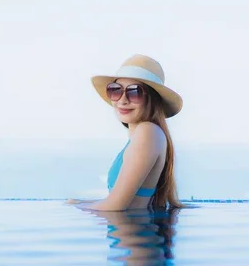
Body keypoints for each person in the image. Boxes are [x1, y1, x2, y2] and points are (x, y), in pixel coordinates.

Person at [67, 54, 184, 211]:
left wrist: (74, 209)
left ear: (152, 99)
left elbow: (115, 207)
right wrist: (79, 203)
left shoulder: (147, 132)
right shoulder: (146, 135)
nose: (122, 100)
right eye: (116, 90)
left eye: (134, 92)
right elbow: (121, 202)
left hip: (131, 233)